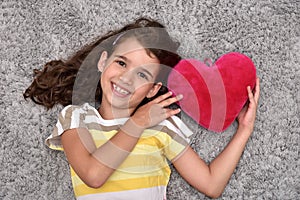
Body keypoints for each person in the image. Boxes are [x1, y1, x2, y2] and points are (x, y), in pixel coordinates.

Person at [24, 17, 260, 200]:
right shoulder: (75, 119)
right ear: (102, 61)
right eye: (121, 63)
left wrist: (244, 131)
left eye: (142, 74)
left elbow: (212, 185)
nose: (126, 78)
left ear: (152, 89)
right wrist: (138, 122)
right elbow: (93, 175)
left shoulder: (161, 127)